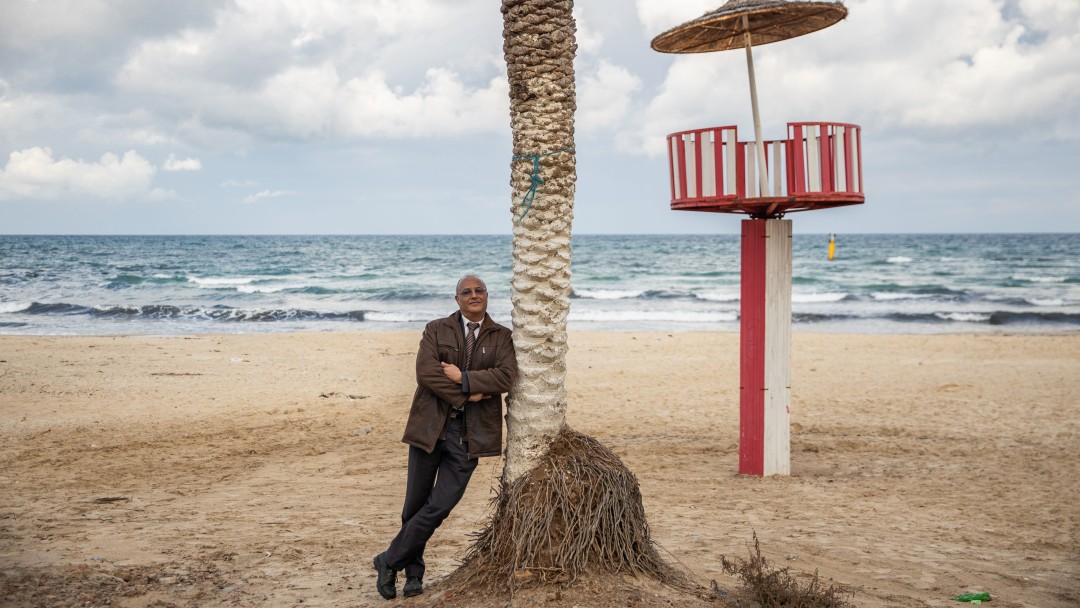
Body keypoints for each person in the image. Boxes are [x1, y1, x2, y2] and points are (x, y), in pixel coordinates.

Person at [372, 275, 517, 600]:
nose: (474, 295)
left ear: (487, 296)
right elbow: (426, 374)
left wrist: (463, 377)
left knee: (440, 505)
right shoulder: (436, 329)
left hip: (470, 437)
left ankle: (388, 560)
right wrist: (469, 394)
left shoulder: (502, 336)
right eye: (467, 292)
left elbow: (506, 376)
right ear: (457, 299)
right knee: (415, 505)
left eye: (479, 290)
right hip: (430, 428)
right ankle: (413, 576)